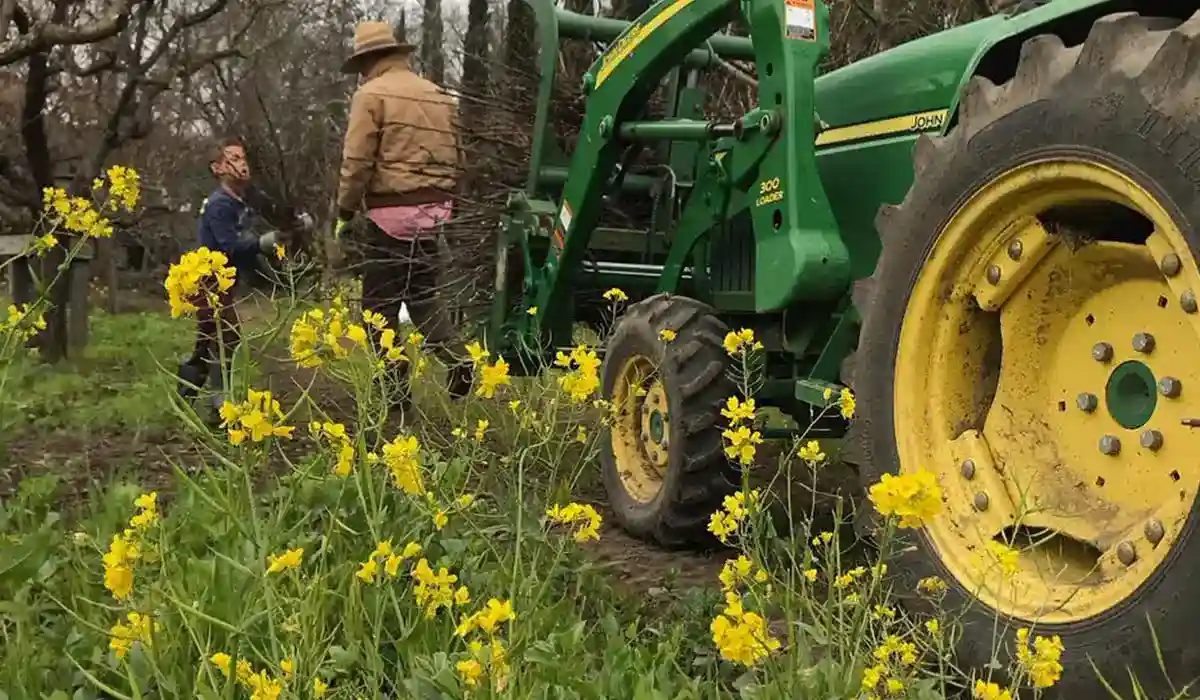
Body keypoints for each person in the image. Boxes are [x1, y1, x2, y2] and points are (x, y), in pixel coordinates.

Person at [334, 20, 472, 413]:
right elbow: (459, 154)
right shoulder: (438, 94)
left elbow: (357, 162)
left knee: (377, 311)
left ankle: (396, 397)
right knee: (423, 298)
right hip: (435, 211)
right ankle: (458, 358)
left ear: (368, 61)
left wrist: (345, 210)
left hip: (390, 214)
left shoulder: (370, 95)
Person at [177, 137, 278, 416]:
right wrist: (263, 243)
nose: (242, 164)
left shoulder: (240, 201)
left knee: (208, 342)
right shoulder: (219, 204)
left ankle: (188, 395)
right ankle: (219, 402)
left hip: (224, 281)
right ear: (217, 168)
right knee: (226, 336)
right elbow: (229, 246)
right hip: (207, 280)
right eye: (233, 159)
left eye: (243, 158)